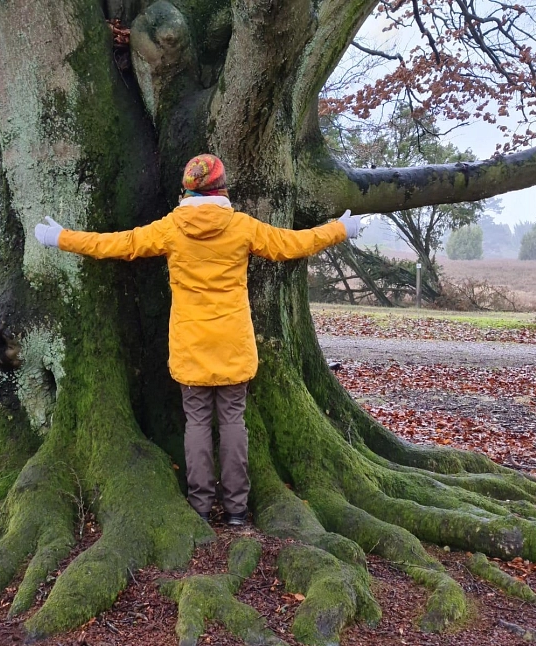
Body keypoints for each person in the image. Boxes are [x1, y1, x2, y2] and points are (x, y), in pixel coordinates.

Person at [35, 154, 362, 525]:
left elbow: (119, 244)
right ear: (221, 189)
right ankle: (237, 510)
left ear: (187, 189)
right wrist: (339, 229)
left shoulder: (172, 228)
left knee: (197, 424)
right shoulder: (240, 226)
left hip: (190, 346)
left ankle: (201, 505)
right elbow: (290, 244)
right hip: (233, 344)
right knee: (234, 423)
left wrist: (61, 238)